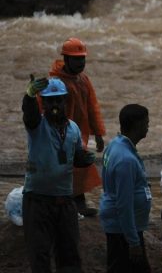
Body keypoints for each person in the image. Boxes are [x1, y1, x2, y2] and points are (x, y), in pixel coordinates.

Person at [22, 76, 95, 273]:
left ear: (65, 101)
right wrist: (29, 96)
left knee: (70, 255)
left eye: (58, 100)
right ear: (43, 104)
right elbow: (29, 115)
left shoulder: (73, 129)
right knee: (40, 255)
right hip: (37, 202)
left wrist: (84, 158)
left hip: (65, 201)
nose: (55, 104)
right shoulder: (37, 125)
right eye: (49, 101)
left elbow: (75, 156)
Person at [47, 37, 105, 216]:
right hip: (58, 134)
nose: (80, 62)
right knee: (63, 169)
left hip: (79, 133)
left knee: (80, 168)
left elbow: (92, 107)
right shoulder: (55, 82)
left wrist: (99, 133)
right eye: (76, 58)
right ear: (66, 59)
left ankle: (78, 204)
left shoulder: (83, 79)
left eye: (82, 58)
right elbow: (44, 109)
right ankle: (67, 205)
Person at [99, 104, 152, 273]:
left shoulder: (115, 145)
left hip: (121, 225)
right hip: (123, 229)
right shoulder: (125, 160)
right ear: (137, 125)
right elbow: (124, 204)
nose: (148, 127)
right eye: (146, 123)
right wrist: (133, 241)